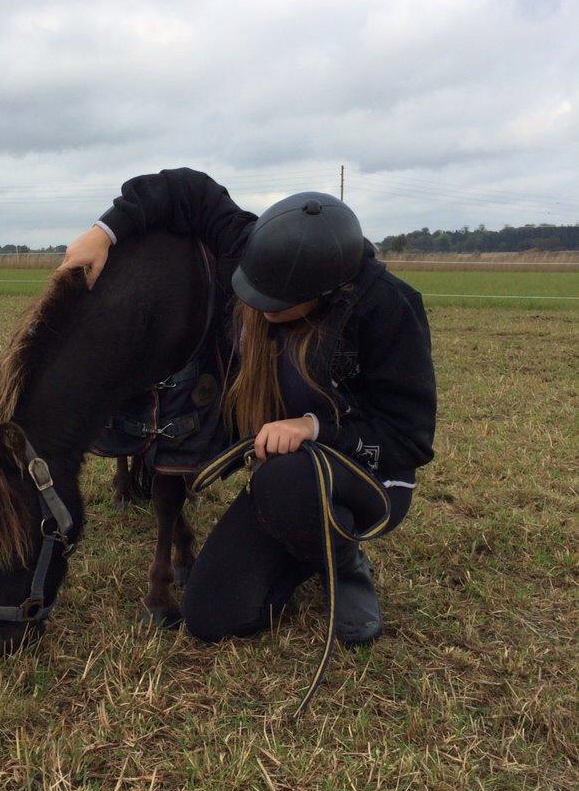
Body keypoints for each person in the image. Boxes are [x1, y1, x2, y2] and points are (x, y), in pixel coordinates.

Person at [61, 168, 437, 645]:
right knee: (211, 615)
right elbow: (188, 190)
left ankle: (343, 565)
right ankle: (305, 546)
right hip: (286, 479)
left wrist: (312, 426)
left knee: (288, 475)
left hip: (364, 474)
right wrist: (103, 231)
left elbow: (409, 439)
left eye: (275, 303)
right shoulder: (262, 251)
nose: (258, 309)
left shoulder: (389, 309)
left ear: (322, 294)